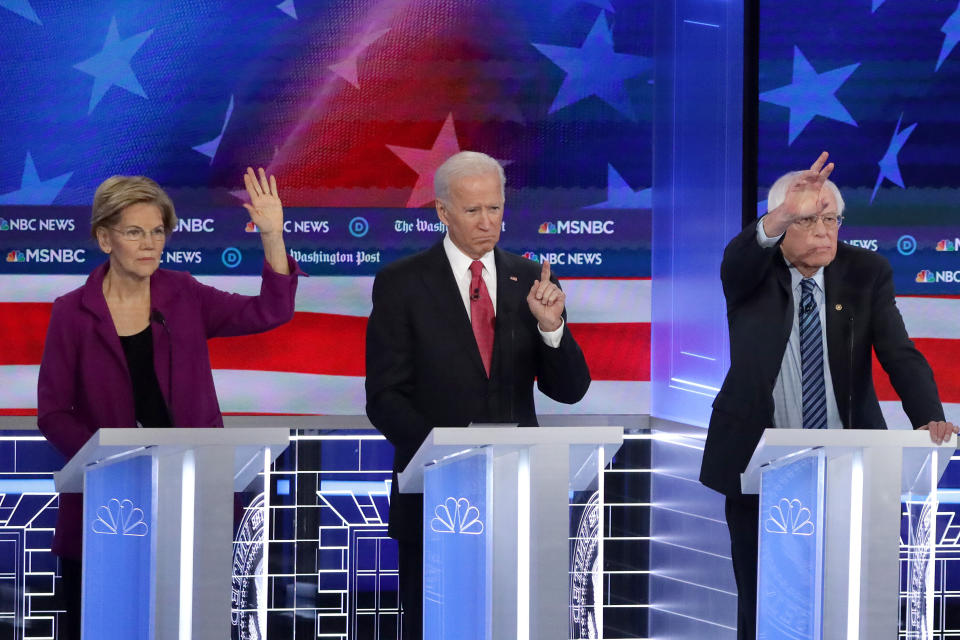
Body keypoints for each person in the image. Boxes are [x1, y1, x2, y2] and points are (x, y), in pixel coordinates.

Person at [699, 151, 958, 640]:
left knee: (848, 596)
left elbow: (899, 352)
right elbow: (737, 259)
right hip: (759, 466)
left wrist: (929, 417)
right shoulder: (752, 273)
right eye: (808, 220)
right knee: (764, 602)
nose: (824, 231)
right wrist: (778, 214)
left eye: (831, 219)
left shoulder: (867, 272)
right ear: (781, 227)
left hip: (850, 464)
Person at [37, 167, 302, 639]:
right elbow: (53, 412)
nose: (149, 244)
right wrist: (113, 463)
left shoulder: (183, 294)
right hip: (108, 505)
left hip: (193, 494)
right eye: (135, 232)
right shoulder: (71, 312)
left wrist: (272, 235)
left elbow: (272, 310)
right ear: (104, 239)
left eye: (157, 232)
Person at [364, 150, 591, 640]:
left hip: (517, 492)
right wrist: (447, 457)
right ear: (443, 212)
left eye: (495, 208)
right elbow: (384, 397)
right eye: (472, 211)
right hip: (434, 498)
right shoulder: (401, 284)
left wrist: (552, 328)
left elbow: (570, 390)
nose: (488, 222)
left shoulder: (532, 280)